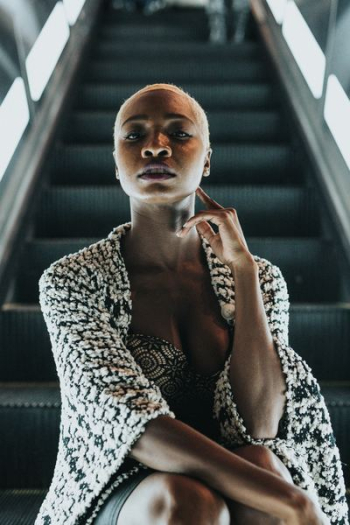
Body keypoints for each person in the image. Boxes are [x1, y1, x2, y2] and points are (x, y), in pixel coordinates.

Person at [35, 83, 348, 525]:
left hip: (236, 473)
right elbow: (131, 426)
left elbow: (259, 424)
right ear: (116, 165)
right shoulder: (72, 282)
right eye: (134, 135)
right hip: (118, 488)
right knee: (193, 500)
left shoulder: (263, 280)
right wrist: (292, 500)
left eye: (179, 134)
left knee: (263, 464)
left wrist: (245, 275)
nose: (155, 148)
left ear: (207, 158)